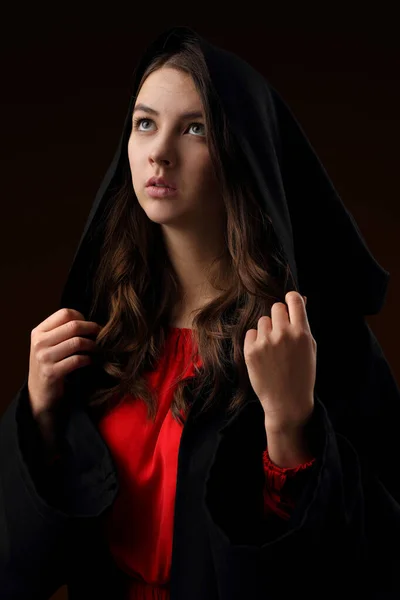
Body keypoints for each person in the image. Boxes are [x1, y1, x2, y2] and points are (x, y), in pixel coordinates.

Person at [1, 25, 399, 600]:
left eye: (194, 128)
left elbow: (360, 564)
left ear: (241, 153)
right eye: (145, 124)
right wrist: (37, 415)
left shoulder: (302, 341)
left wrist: (291, 424)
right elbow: (25, 563)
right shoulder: (105, 327)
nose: (160, 151)